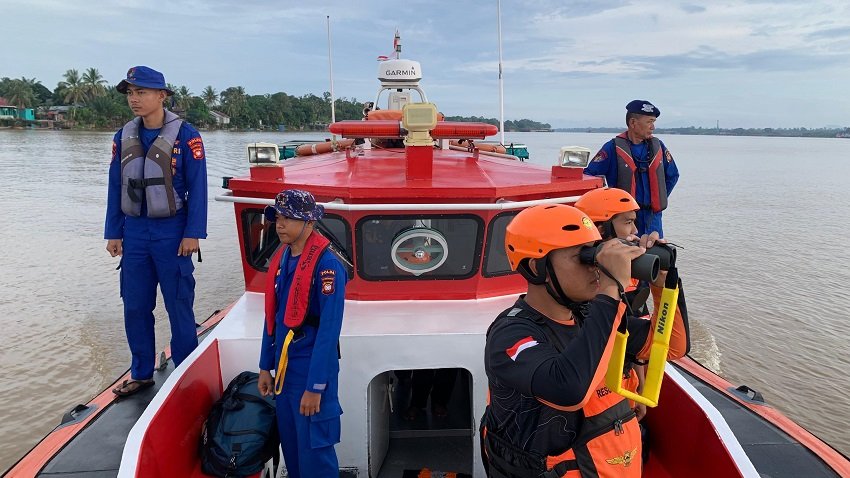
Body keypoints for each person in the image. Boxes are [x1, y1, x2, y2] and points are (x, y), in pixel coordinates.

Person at [479, 204, 689, 478]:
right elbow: (569, 390)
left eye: (597, 253)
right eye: (585, 257)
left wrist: (661, 282)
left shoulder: (590, 315)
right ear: (536, 267)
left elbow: (673, 345)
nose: (596, 268)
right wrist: (611, 289)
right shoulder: (510, 334)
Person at [105, 66, 207, 396]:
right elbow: (114, 186)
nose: (134, 99)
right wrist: (113, 231)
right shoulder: (123, 136)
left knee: (178, 304)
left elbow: (198, 187)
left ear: (162, 96)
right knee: (134, 305)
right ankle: (141, 372)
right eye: (130, 94)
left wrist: (193, 232)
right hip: (134, 232)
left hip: (172, 232)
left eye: (141, 93)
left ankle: (186, 373)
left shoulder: (187, 135)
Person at [575, 187, 690, 422]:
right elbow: (673, 348)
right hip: (591, 407)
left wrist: (662, 281)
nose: (636, 231)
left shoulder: (630, 281)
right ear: (600, 229)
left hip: (620, 392)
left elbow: (633, 337)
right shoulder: (582, 293)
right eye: (628, 222)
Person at [257, 189, 347, 478]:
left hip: (310, 368)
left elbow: (329, 332)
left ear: (309, 223)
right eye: (278, 218)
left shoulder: (327, 267)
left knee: (315, 455)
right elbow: (273, 315)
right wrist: (264, 366)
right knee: (292, 450)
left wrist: (315, 387)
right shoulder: (283, 259)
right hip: (284, 373)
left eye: (288, 219)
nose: (280, 224)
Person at [584, 100, 679, 237]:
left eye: (654, 122)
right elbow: (590, 177)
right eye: (649, 122)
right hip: (624, 219)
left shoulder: (659, 147)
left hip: (653, 219)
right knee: (629, 255)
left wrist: (658, 197)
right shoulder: (611, 148)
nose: (653, 127)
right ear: (633, 123)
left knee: (657, 254)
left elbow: (673, 175)